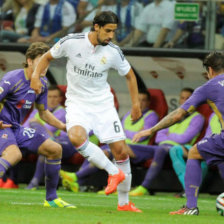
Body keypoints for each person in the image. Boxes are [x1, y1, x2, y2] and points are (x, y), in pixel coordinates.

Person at [30, 11, 142, 212]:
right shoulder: (71, 42)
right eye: (108, 31)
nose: (111, 36)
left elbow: (130, 76)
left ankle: (124, 204)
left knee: (121, 151)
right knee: (75, 137)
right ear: (96, 27)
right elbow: (46, 57)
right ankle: (113, 172)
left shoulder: (113, 52)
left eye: (114, 32)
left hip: (103, 106)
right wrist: (36, 77)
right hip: (77, 104)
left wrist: (135, 105)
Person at [132, 51, 224, 215]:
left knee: (194, 153)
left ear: (209, 70)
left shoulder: (209, 87)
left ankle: (190, 207)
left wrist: (152, 130)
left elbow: (178, 115)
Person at [0, 42, 75, 208]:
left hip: (16, 129)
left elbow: (43, 113)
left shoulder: (42, 83)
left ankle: (52, 199)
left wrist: (64, 127)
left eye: (47, 62)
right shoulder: (12, 79)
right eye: (42, 61)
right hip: (2, 127)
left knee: (55, 149)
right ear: (30, 61)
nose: (45, 66)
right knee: (14, 154)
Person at [59, 89, 159, 192]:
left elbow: (141, 136)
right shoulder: (128, 115)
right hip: (121, 145)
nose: (140, 103)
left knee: (105, 152)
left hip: (137, 148)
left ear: (148, 103)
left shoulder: (151, 116)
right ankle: (77, 182)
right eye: (138, 100)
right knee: (97, 151)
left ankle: (76, 177)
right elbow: (118, 131)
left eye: (143, 100)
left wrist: (124, 132)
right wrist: (125, 132)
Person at [130, 88, 205, 196]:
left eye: (188, 98)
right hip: (162, 146)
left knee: (161, 149)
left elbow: (184, 139)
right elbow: (158, 137)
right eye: (182, 98)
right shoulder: (173, 115)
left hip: (182, 148)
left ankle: (144, 187)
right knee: (126, 146)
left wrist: (168, 136)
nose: (185, 101)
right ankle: (119, 185)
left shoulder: (197, 117)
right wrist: (171, 137)